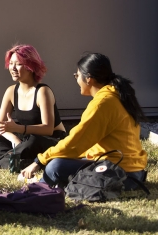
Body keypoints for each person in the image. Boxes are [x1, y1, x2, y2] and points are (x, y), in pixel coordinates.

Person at [21, 52, 148, 189]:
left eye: (77, 76)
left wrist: (39, 161)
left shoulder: (103, 103)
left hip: (121, 173)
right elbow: (84, 143)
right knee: (63, 160)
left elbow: (76, 142)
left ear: (88, 79)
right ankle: (45, 182)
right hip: (133, 171)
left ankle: (41, 185)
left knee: (55, 166)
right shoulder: (115, 95)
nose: (76, 80)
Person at [0, 44, 67, 167]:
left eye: (18, 64)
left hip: (50, 140)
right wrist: (15, 140)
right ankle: (18, 159)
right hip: (25, 139)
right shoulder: (11, 91)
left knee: (33, 141)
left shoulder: (43, 91)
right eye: (11, 63)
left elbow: (48, 129)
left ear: (31, 66)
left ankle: (6, 161)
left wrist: (18, 129)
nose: (13, 68)